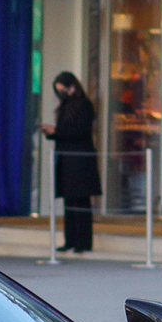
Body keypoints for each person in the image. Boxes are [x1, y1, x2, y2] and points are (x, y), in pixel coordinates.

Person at [39, 71, 100, 253]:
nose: (62, 94)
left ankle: (83, 241)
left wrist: (56, 132)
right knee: (69, 202)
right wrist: (54, 132)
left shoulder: (84, 105)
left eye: (63, 89)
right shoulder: (67, 107)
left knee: (81, 202)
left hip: (80, 160)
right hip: (67, 159)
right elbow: (67, 131)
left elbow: (79, 131)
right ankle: (71, 239)